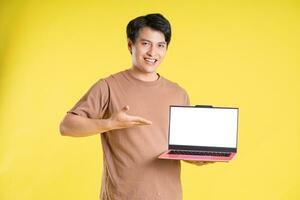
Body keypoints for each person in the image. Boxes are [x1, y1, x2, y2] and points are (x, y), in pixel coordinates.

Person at [59, 13, 211, 200]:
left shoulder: (178, 93)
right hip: (122, 196)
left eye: (160, 46)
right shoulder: (108, 86)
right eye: (145, 43)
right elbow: (67, 126)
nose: (152, 53)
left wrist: (200, 158)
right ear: (130, 45)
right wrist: (110, 123)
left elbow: (179, 148)